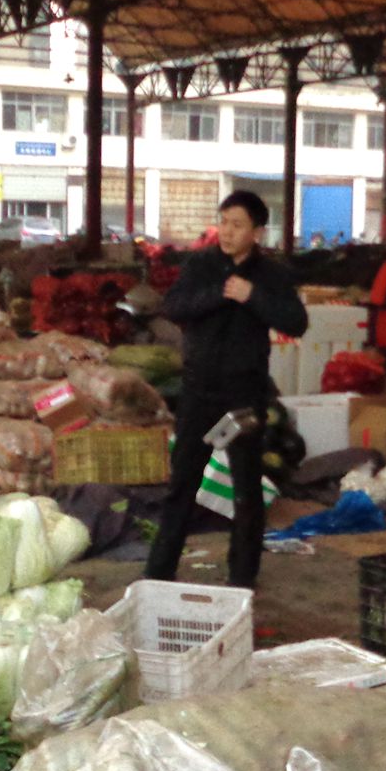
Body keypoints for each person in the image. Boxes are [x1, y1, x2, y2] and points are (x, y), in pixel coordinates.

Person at [146, 191, 308, 590]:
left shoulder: (271, 274)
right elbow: (175, 307)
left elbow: (296, 322)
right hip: (200, 391)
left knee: (247, 489)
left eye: (237, 225)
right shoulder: (201, 264)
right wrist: (219, 294)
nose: (228, 232)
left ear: (257, 231)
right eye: (224, 222)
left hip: (245, 397)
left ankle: (242, 577)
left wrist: (252, 296)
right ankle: (159, 572)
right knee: (183, 483)